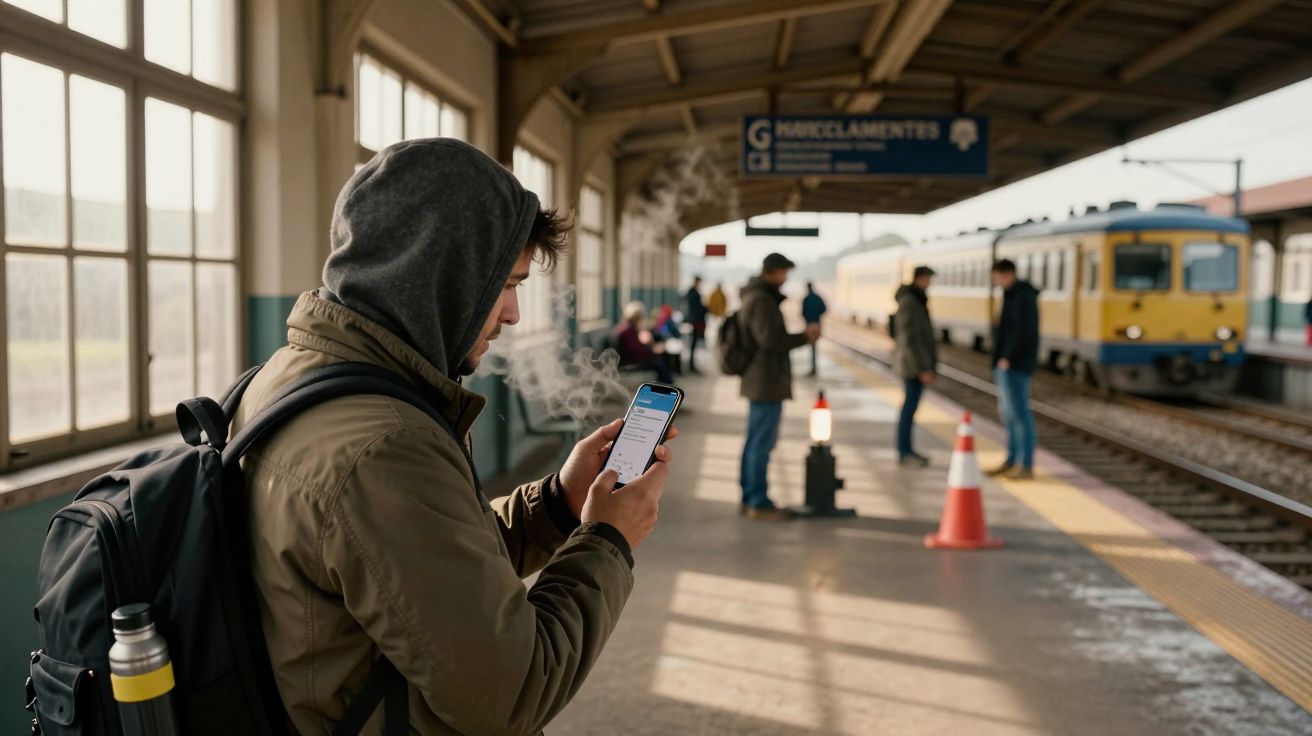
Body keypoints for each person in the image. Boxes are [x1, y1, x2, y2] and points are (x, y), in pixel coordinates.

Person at [233, 139, 675, 735]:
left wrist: (556, 505)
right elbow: (515, 690)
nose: (514, 314)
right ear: (441, 278)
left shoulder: (290, 378)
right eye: (507, 284)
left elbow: (419, 573)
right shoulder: (382, 445)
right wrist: (608, 540)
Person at [738, 253, 821, 520]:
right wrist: (804, 337)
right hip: (766, 380)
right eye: (784, 272)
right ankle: (758, 502)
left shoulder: (756, 296)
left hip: (760, 379)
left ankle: (749, 497)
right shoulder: (762, 300)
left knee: (755, 441)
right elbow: (771, 340)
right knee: (761, 444)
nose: (786, 279)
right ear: (773, 272)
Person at [988, 258, 1039, 480]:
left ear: (1005, 274)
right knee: (1009, 415)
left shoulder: (1022, 297)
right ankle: (1011, 460)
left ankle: (1025, 464)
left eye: (996, 277)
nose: (995, 281)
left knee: (1020, 414)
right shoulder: (1012, 294)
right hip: (1007, 363)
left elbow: (1022, 331)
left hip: (1015, 365)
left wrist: (1007, 357)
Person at [893, 266, 937, 466]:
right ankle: (905, 451)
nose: (929, 284)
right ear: (920, 278)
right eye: (928, 279)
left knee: (909, 409)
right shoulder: (911, 301)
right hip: (913, 367)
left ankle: (907, 450)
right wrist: (923, 368)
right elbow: (912, 339)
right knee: (908, 410)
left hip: (912, 365)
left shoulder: (912, 299)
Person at [615, 300, 675, 384]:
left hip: (629, 358)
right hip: (629, 362)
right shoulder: (628, 330)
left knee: (659, 359)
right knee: (659, 362)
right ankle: (666, 386)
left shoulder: (627, 327)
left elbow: (635, 347)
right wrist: (652, 351)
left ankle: (665, 384)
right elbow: (636, 351)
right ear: (636, 317)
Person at [801, 281, 828, 376]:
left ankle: (813, 369)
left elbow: (802, 313)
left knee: (812, 347)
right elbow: (824, 309)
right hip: (817, 324)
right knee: (814, 347)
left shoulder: (806, 299)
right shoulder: (817, 298)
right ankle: (814, 368)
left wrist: (809, 320)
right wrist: (817, 316)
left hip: (809, 325)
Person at [685, 276, 709, 373]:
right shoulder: (693, 293)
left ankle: (691, 364)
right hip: (695, 321)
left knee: (694, 344)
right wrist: (705, 309)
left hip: (695, 320)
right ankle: (691, 365)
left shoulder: (692, 293)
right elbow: (696, 308)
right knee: (693, 343)